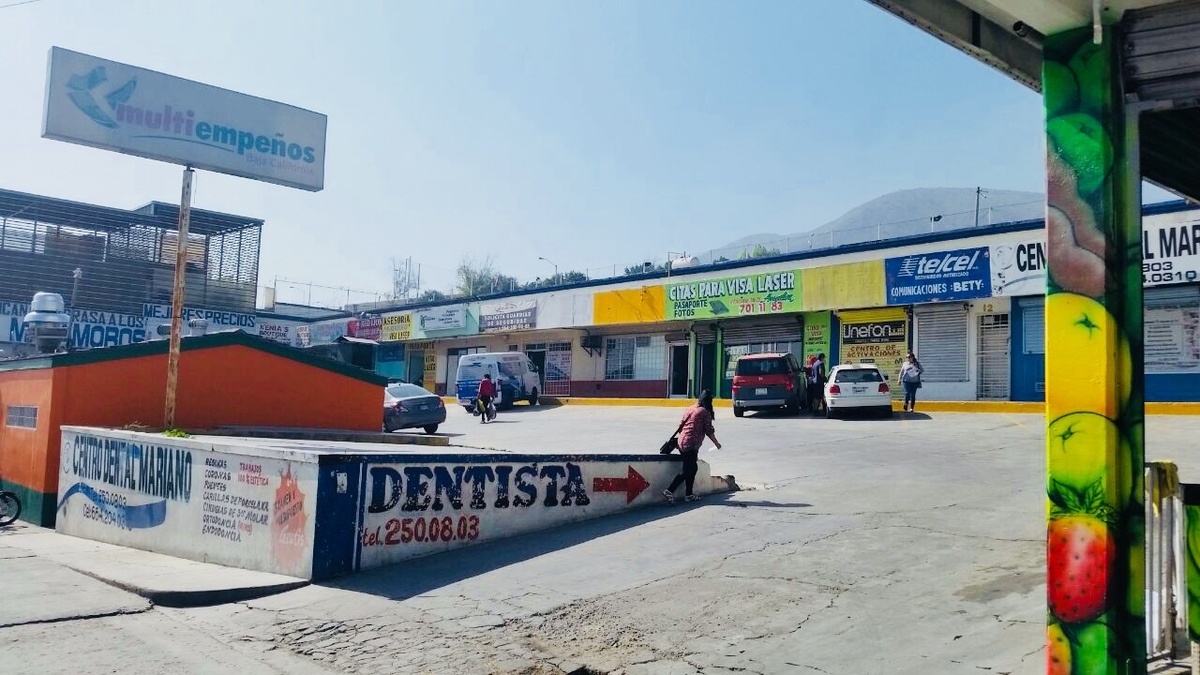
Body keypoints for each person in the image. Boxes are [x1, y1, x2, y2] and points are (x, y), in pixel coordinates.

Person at [663, 390, 722, 503]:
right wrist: (717, 444)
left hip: (682, 442)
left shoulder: (690, 408)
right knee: (688, 470)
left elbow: (681, 426)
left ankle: (689, 495)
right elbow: (709, 431)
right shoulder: (704, 412)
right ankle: (669, 491)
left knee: (692, 468)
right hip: (690, 444)